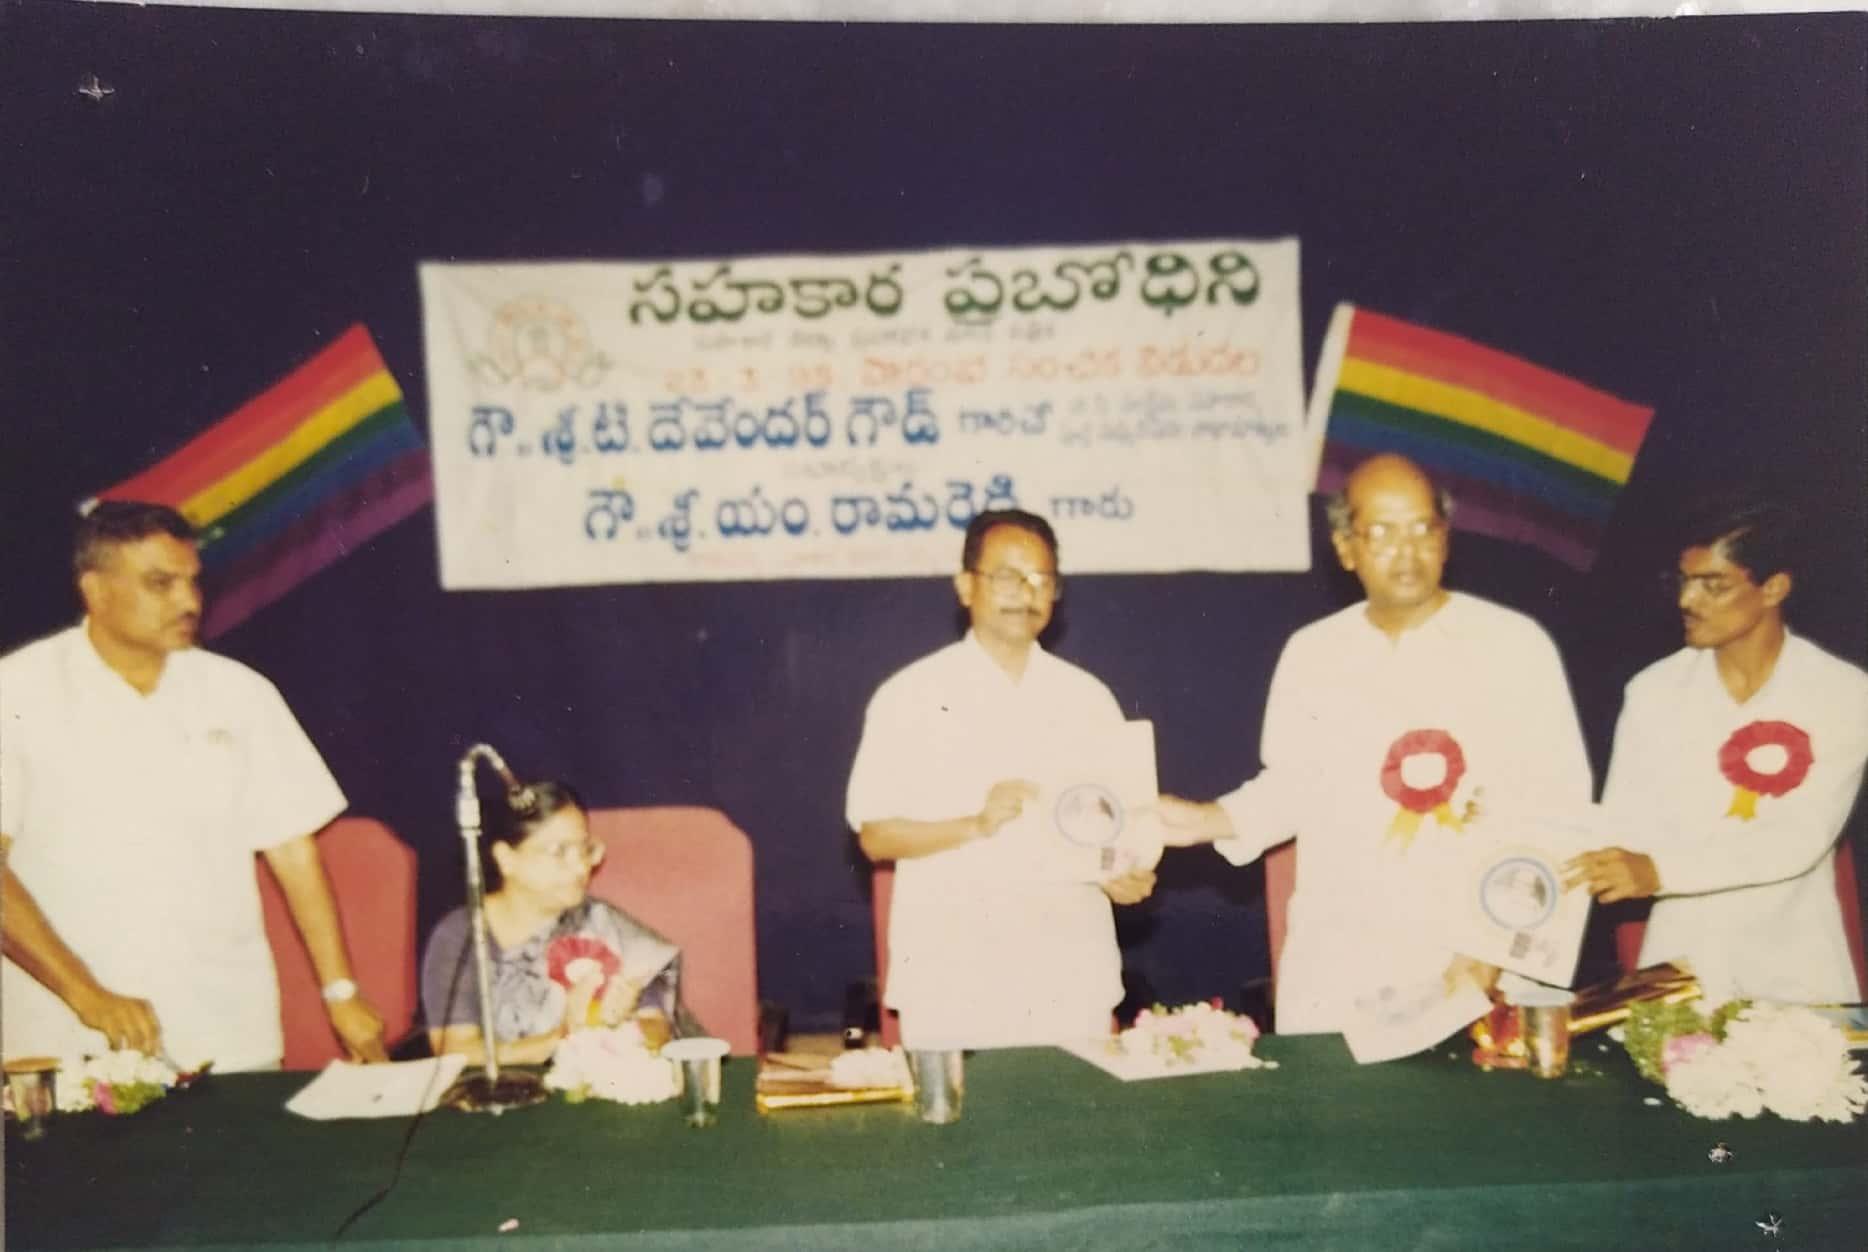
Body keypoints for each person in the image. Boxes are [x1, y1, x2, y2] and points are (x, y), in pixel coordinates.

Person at [1158, 454, 1593, 1035]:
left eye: (1421, 528)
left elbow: (1557, 813)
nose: (1405, 550)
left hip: (1474, 964)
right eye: (1381, 533)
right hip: (1341, 963)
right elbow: (1291, 787)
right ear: (1345, 548)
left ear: (1445, 539)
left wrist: (1494, 954)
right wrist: (1205, 820)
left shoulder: (1514, 645)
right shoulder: (1312, 653)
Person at [1, 501, 388, 1071]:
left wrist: (341, 993)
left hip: (225, 1031)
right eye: (160, 584)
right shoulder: (18, 693)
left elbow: (293, 852)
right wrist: (88, 996)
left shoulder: (240, 694)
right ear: (96, 590)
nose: (188, 602)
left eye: (192, 583)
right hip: (64, 1037)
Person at [846, 509, 1156, 1049]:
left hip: (1069, 970)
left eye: (1041, 578)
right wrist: (975, 824)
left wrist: (1126, 876)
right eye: (1007, 576)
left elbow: (1117, 837)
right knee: (960, 1135)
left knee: (1074, 1130)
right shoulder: (909, 696)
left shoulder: (1088, 699)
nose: (1025, 592)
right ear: (966, 587)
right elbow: (875, 836)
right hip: (953, 977)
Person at [1564, 496, 1868, 1003]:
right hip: (1681, 970)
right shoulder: (1654, 690)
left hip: (1798, 973)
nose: (1688, 600)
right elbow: (1624, 824)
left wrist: (1659, 870)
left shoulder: (1845, 694)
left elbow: (1799, 840)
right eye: (1684, 580)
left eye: (1714, 585)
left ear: (1774, 588)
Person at [422, 780, 694, 1065]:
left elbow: (659, 1031)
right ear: (506, 859)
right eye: (559, 851)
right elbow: (456, 1050)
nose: (581, 867)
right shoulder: (461, 935)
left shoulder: (605, 927)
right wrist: (561, 1037)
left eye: (585, 849)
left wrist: (622, 1027)